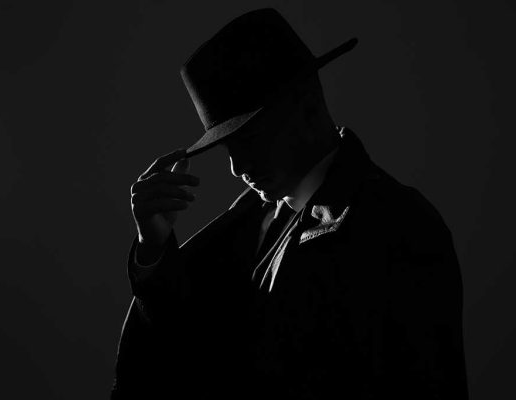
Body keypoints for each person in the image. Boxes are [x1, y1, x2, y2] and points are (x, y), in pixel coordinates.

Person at [111, 8, 469, 399]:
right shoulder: (249, 220)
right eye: (227, 147)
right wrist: (153, 246)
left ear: (308, 106)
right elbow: (186, 347)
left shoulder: (399, 227)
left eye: (249, 139)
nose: (237, 168)